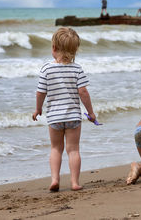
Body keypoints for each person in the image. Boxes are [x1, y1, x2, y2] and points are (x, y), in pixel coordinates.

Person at [32, 27, 97, 192]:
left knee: (56, 149)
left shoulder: (46, 69)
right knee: (73, 149)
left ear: (53, 48)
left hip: (54, 117)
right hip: (73, 116)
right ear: (75, 50)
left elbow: (41, 92)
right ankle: (74, 182)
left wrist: (38, 109)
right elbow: (83, 92)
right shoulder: (77, 69)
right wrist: (90, 112)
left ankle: (55, 180)